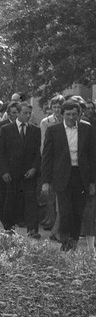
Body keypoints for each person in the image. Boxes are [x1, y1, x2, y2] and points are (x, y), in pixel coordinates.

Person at [41, 101, 96, 251]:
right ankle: (66, 243)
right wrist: (45, 181)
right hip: (62, 176)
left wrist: (92, 181)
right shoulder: (53, 131)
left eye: (74, 114)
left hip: (81, 176)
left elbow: (93, 157)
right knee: (65, 212)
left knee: (78, 211)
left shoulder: (87, 130)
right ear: (62, 115)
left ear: (79, 114)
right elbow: (47, 157)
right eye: (68, 114)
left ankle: (73, 241)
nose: (71, 117)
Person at [0, 102, 41, 238]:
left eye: (29, 113)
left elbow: (38, 153)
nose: (28, 116)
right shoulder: (6, 129)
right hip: (11, 172)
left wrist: (34, 168)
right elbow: (1, 152)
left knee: (31, 200)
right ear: (18, 113)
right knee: (11, 199)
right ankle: (9, 228)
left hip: (29, 172)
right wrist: (4, 171)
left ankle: (32, 229)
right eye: (25, 113)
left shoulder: (35, 130)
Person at [39, 94, 65, 234]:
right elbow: (44, 144)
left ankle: (59, 225)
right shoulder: (46, 122)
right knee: (50, 194)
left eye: (59, 106)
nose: (56, 109)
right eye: (54, 107)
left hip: (64, 160)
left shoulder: (67, 120)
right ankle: (52, 221)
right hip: (51, 160)